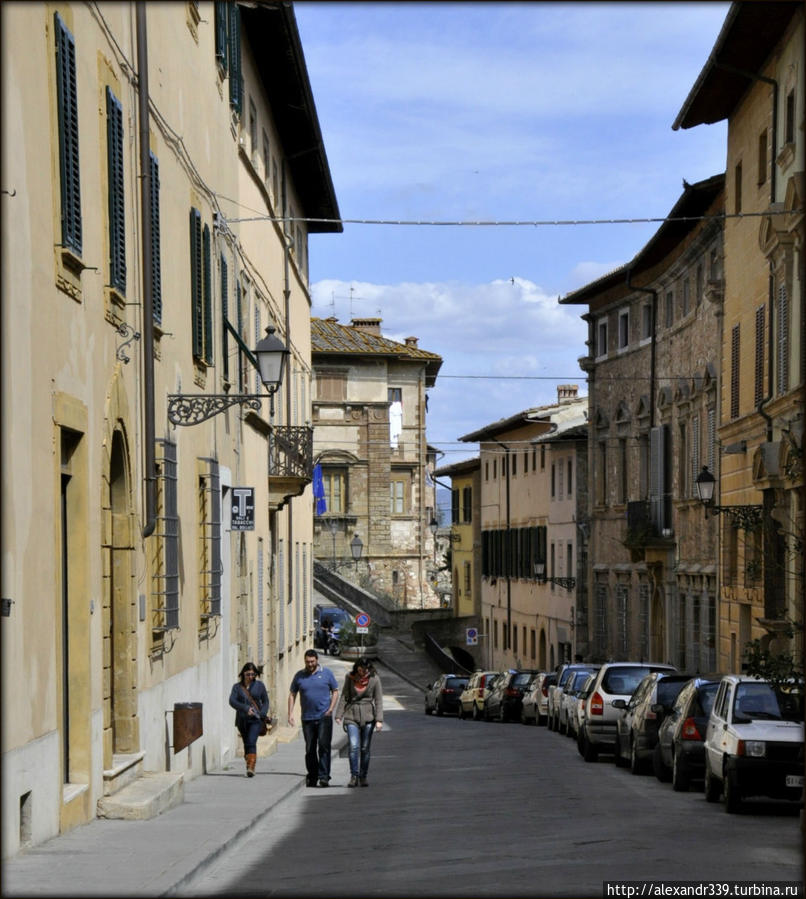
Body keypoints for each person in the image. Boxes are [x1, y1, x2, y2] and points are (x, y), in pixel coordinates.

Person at [288, 649, 339, 787]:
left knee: (323, 746)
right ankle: (313, 775)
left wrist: (331, 709)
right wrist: (290, 714)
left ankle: (324, 777)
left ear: (317, 660)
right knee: (310, 749)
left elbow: (335, 691)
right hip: (307, 718)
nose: (310, 664)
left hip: (324, 716)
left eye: (312, 661)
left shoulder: (327, 673)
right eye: (307, 662)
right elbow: (292, 694)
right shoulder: (299, 676)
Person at [334, 657, 384, 788]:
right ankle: (354, 776)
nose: (363, 672)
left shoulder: (375, 679)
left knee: (365, 748)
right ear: (357, 667)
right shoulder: (350, 677)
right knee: (354, 746)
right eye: (361, 669)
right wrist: (338, 715)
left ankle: (363, 776)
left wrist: (379, 720)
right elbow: (344, 696)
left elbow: (378, 700)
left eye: (366, 669)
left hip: (368, 716)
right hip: (352, 715)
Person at [228, 662, 269, 777]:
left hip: (256, 720)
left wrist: (263, 713)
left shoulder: (259, 686)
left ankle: (251, 766)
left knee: (251, 741)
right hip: (242, 720)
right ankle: (249, 759)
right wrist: (245, 708)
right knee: (247, 743)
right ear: (243, 674)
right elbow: (232, 701)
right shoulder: (237, 687)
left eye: (253, 674)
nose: (251, 677)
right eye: (248, 674)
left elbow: (266, 701)